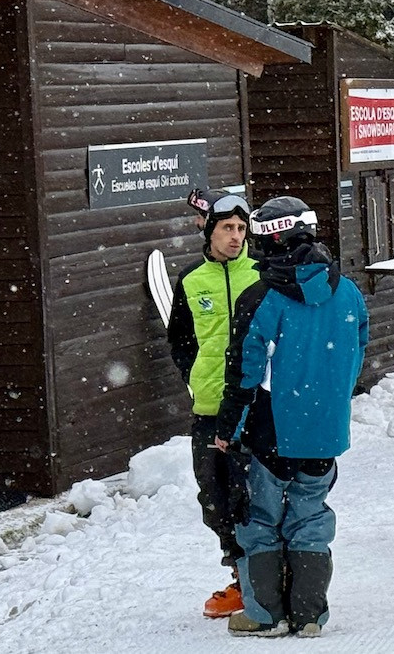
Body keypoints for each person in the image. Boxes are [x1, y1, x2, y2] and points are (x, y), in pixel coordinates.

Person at [215, 196, 369, 637]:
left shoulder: (261, 298)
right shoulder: (348, 290)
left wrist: (228, 427)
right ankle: (308, 615)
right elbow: (358, 352)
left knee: (259, 520)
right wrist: (332, 395)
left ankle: (265, 615)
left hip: (271, 431)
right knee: (310, 517)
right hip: (325, 429)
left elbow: (242, 372)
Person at [167, 190, 260, 618]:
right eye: (227, 228)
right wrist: (195, 378)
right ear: (210, 231)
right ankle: (240, 574)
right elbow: (180, 341)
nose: (236, 237)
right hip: (208, 407)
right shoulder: (190, 279)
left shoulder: (261, 275)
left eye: (241, 229)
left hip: (254, 407)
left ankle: (261, 577)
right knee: (215, 498)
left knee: (254, 495)